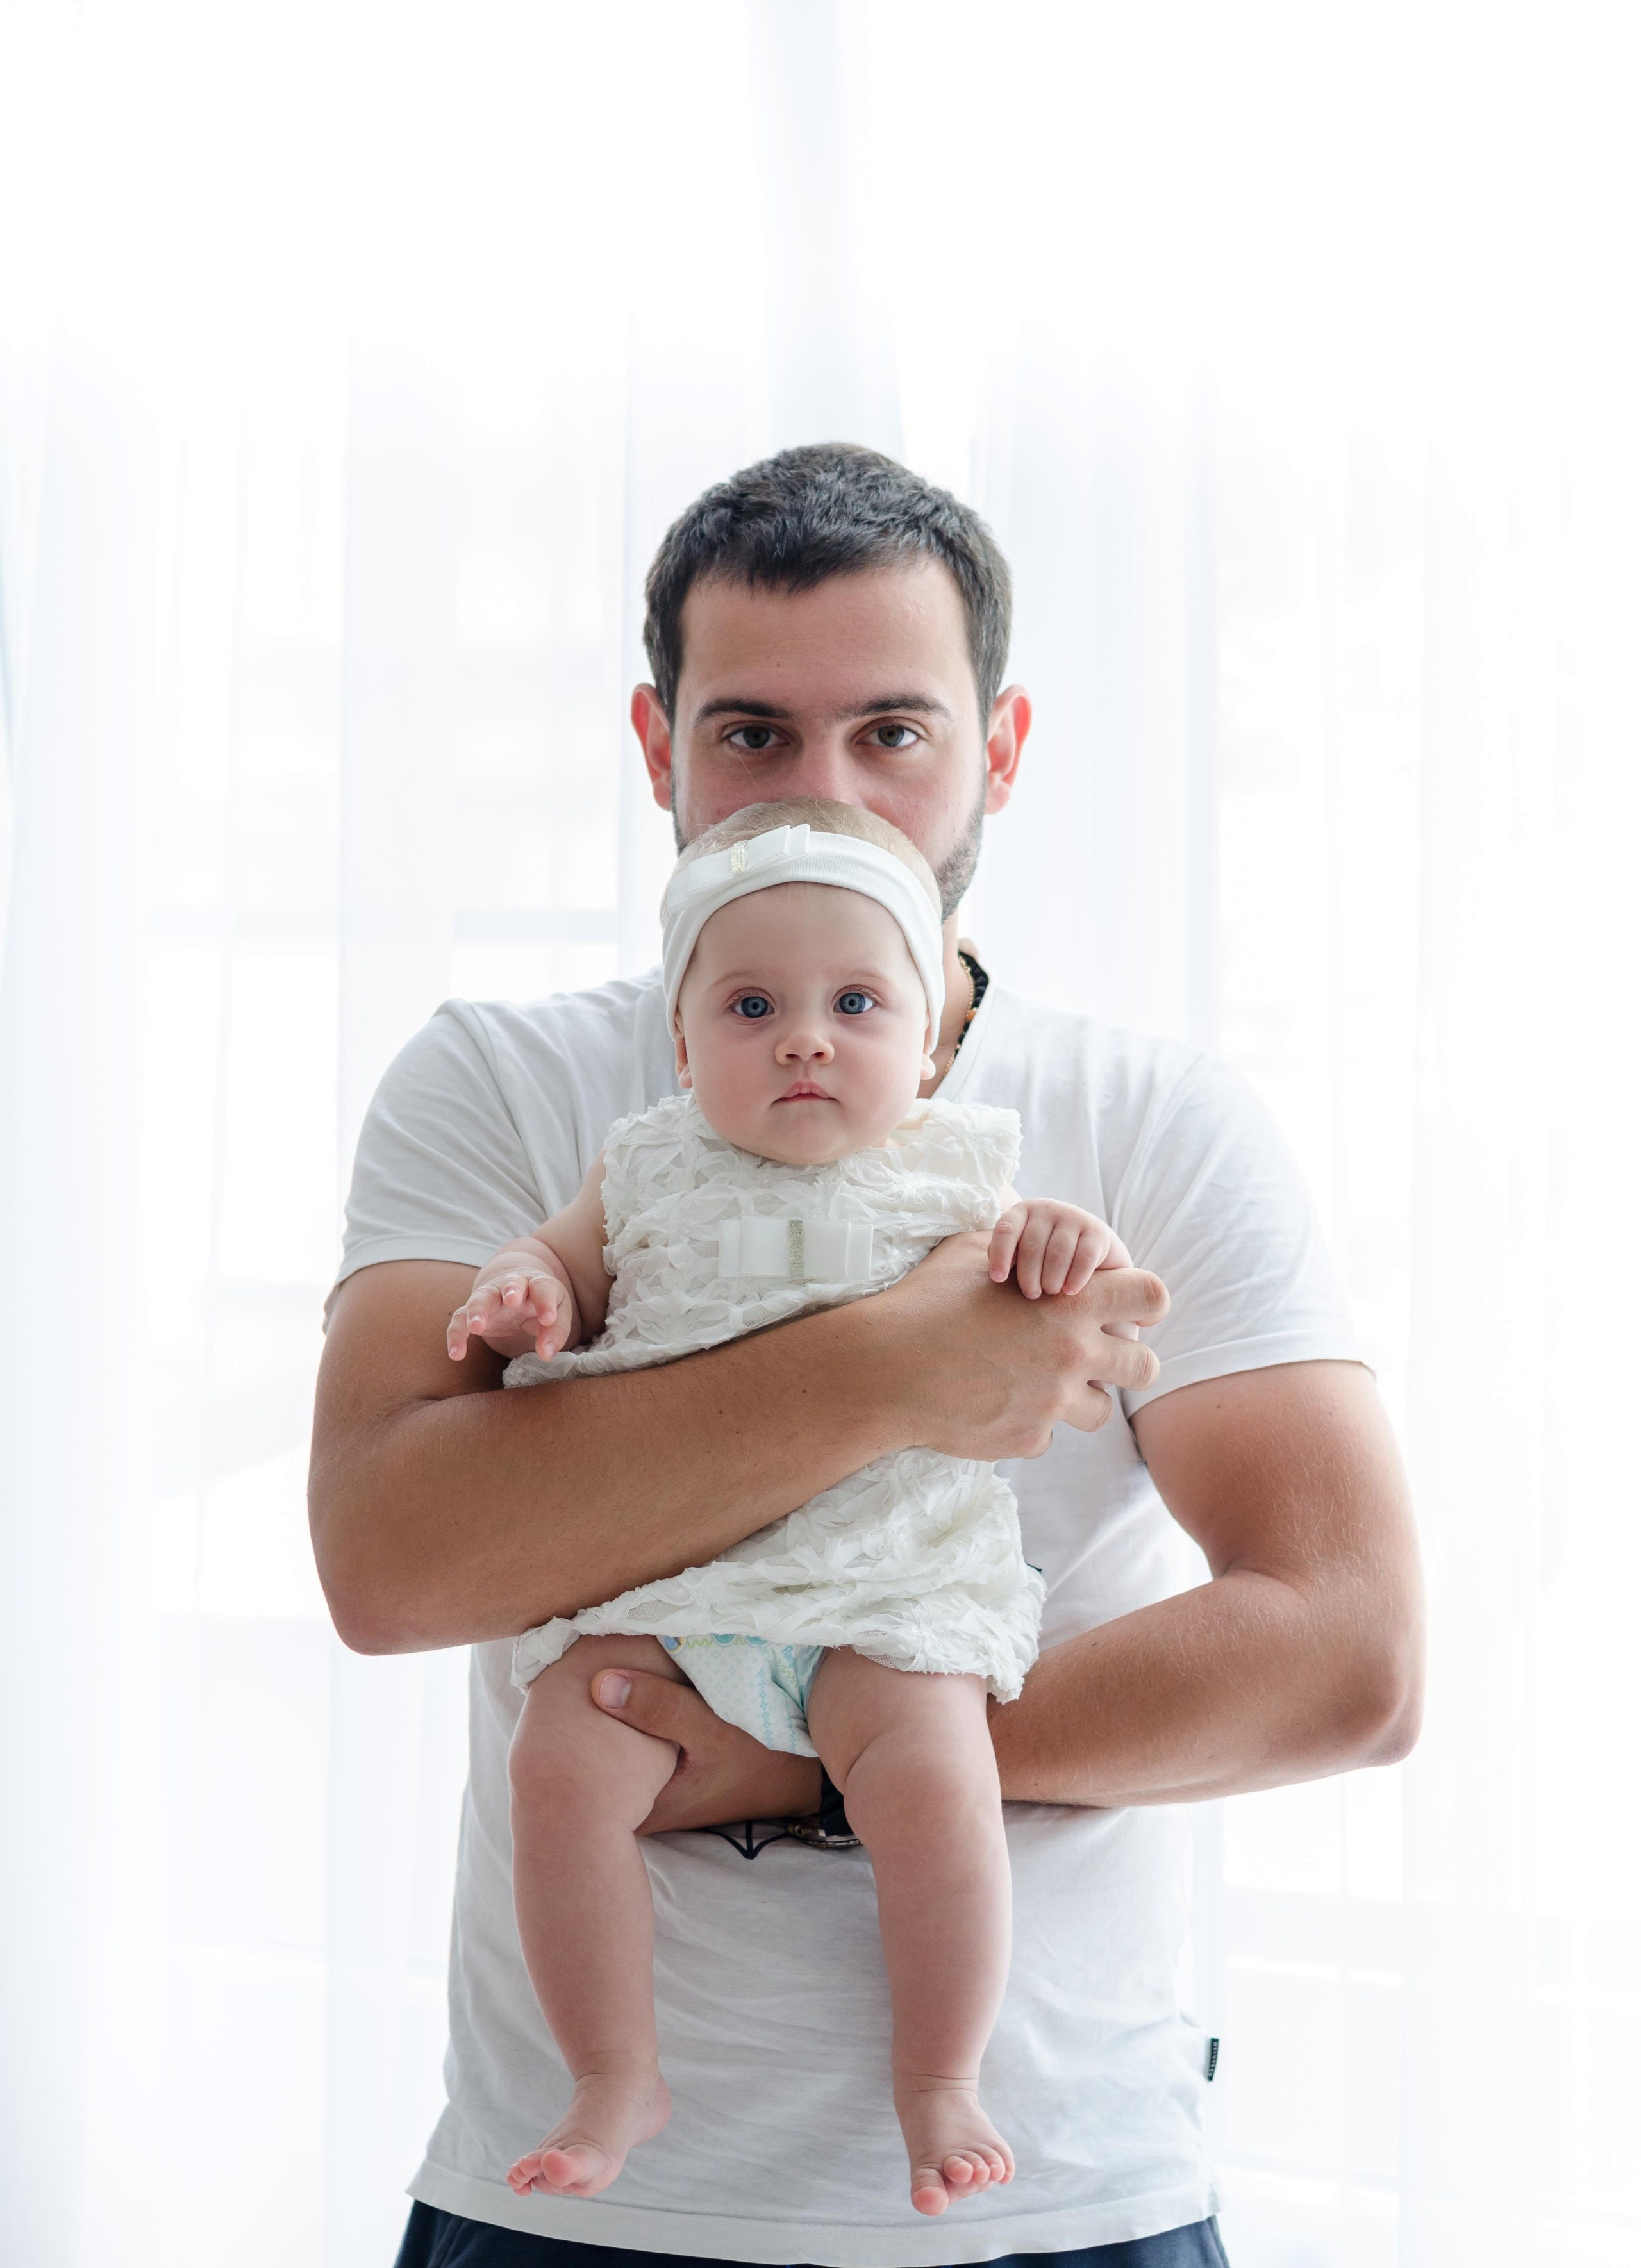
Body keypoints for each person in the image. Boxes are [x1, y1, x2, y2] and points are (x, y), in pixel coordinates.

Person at [311, 443, 1423, 2268]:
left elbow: (1348, 1657)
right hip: (571, 2211)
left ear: (1000, 749)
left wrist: (804, 1755)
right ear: (659, 748)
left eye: (892, 733)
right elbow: (389, 1559)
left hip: (1063, 2196)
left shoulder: (1149, 1121)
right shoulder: (506, 1087)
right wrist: (902, 1371)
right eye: (752, 734)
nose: (821, 794)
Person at [446, 800, 1131, 2217]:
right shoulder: (642, 1164)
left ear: (928, 1041)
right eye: (751, 1007)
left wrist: (1068, 1239)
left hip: (881, 1585)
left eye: (855, 1005)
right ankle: (610, 2072)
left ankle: (939, 2078)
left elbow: (1059, 1278)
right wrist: (527, 1292)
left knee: (936, 1782)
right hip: (672, 1581)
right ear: (683, 1043)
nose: (804, 1040)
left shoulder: (961, 1173)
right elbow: (560, 1260)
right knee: (558, 1764)